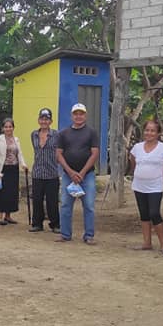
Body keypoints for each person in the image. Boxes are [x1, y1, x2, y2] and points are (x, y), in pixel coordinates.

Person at [128, 119, 163, 253]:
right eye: (147, 130)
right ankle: (147, 242)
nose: (149, 133)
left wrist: (160, 175)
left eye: (153, 131)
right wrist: (139, 173)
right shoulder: (137, 147)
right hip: (139, 186)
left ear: (158, 133)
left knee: (154, 213)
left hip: (155, 186)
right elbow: (133, 163)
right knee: (144, 214)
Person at [56, 103, 100, 244]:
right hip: (68, 176)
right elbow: (59, 154)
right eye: (76, 114)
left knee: (89, 206)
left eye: (81, 114)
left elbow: (95, 154)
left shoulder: (91, 133)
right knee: (65, 205)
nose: (78, 116)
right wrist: (70, 172)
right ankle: (65, 234)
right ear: (72, 116)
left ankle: (89, 235)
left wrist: (82, 173)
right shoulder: (63, 133)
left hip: (87, 176)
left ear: (85, 116)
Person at [0, 118, 28, 225]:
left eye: (10, 126)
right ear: (2, 128)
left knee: (11, 193)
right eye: (6, 127)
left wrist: (23, 164)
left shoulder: (16, 139)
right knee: (1, 192)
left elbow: (19, 153)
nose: (8, 129)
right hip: (2, 169)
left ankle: (8, 216)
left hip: (14, 169)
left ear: (13, 128)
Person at [29, 108, 60, 233]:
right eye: (42, 119)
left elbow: (60, 151)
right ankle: (37, 224)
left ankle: (55, 224)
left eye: (47, 119)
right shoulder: (34, 134)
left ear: (51, 121)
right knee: (37, 200)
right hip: (37, 172)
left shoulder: (56, 135)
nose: (44, 121)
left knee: (52, 201)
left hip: (51, 173)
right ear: (38, 120)